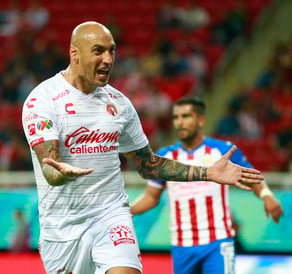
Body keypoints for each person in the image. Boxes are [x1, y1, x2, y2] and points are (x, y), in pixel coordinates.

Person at [21, 21, 263, 274]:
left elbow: (149, 165)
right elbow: (49, 168)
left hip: (110, 216)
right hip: (62, 228)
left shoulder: (119, 104)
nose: (107, 59)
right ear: (74, 54)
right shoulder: (43, 100)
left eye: (111, 51)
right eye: (98, 51)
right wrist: (60, 174)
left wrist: (207, 172)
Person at [131, 96, 283, 274]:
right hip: (182, 245)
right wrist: (127, 210)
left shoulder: (222, 151)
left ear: (201, 120)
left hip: (217, 242)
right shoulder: (165, 156)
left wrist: (266, 195)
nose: (180, 122)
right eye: (176, 117)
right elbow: (151, 196)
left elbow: (252, 177)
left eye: (186, 116)